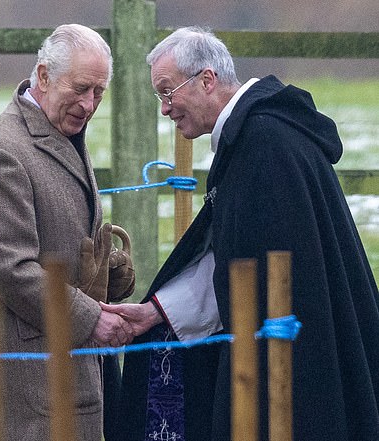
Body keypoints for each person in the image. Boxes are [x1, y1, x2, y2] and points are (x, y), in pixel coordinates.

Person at [102, 26, 379, 441]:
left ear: (207, 80)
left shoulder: (265, 144)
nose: (164, 109)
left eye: (167, 91)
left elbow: (268, 279)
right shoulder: (251, 136)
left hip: (295, 372)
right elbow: (233, 261)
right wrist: (156, 312)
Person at [0, 24, 135, 441]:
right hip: (26, 387)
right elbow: (11, 269)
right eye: (81, 88)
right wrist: (92, 319)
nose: (89, 104)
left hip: (62, 371)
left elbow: (58, 235)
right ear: (42, 76)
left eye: (100, 92)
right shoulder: (3, 154)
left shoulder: (60, 132)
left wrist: (106, 269)